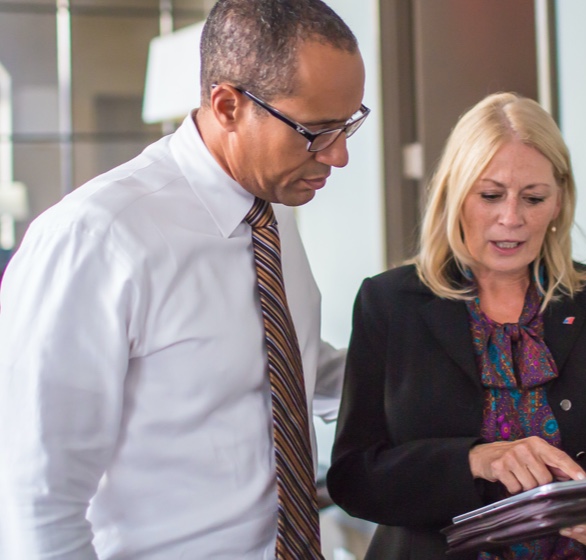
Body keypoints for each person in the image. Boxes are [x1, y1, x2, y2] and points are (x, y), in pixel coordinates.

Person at [0, 1, 367, 558]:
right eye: (315, 131)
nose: (339, 156)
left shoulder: (271, 215)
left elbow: (294, 364)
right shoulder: (95, 240)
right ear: (227, 106)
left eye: (347, 125)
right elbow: (36, 502)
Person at [326, 92, 586, 560]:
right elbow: (354, 478)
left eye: (533, 198)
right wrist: (475, 459)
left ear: (559, 202)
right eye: (490, 195)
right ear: (454, 195)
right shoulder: (389, 303)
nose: (511, 218)